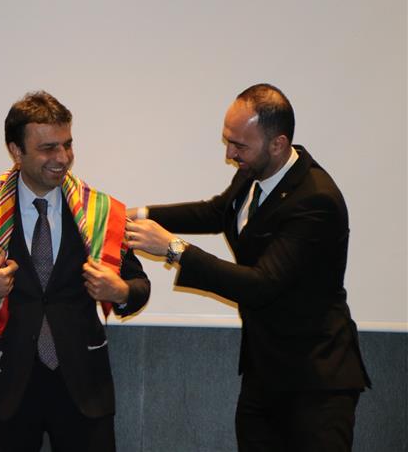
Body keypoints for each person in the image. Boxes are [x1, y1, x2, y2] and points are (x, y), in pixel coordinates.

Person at [125, 83, 370, 452]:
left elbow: (261, 284)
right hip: (264, 372)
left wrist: (174, 249)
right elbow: (215, 212)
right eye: (228, 141)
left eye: (239, 145)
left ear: (278, 144)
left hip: (315, 383)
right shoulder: (254, 172)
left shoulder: (315, 200)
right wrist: (138, 215)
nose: (229, 153)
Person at [0, 91, 150, 452]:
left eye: (67, 145)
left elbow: (139, 286)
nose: (62, 158)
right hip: (7, 389)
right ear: (16, 151)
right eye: (48, 148)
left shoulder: (99, 212)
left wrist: (120, 292)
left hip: (84, 391)